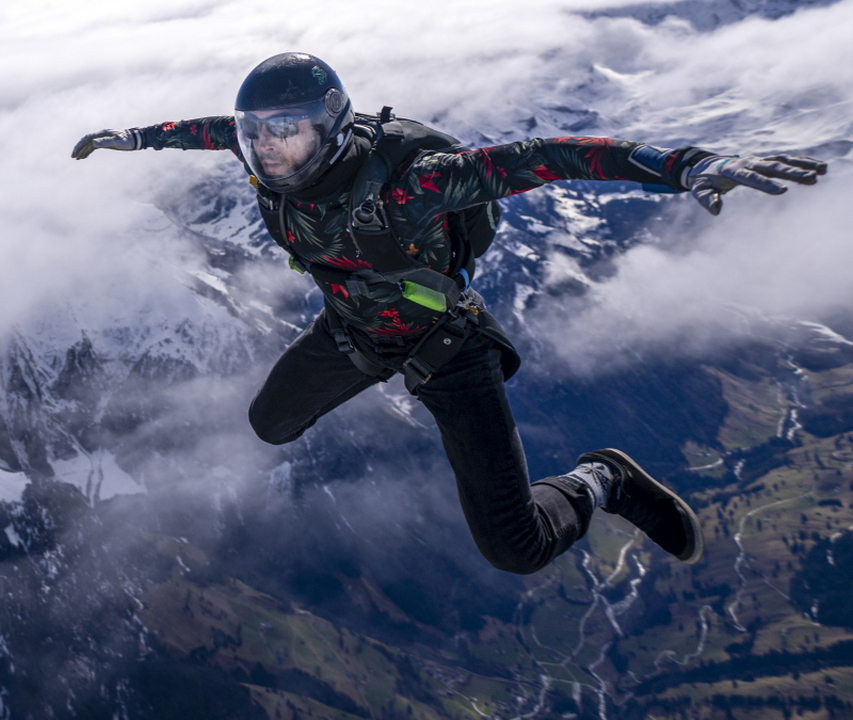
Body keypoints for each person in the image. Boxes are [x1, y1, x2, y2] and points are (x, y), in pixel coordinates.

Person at [72, 52, 827, 575]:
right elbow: (207, 129)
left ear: (330, 123)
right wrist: (134, 138)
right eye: (255, 129)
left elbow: (551, 156)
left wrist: (683, 165)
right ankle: (371, 368)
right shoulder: (269, 156)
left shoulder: (414, 185)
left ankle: (604, 479)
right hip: (352, 332)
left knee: (517, 547)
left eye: (284, 127)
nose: (265, 147)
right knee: (269, 423)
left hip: (445, 345)